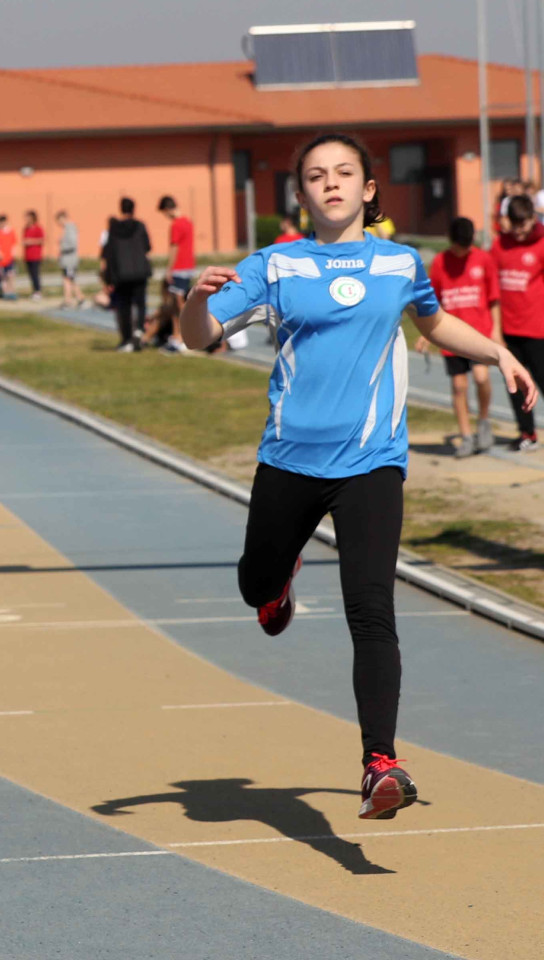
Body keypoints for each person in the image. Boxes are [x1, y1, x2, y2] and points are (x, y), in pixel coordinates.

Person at [180, 133, 537, 821]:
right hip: (289, 458)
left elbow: (434, 326)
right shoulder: (276, 264)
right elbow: (200, 338)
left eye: (345, 173)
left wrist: (498, 353)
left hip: (372, 461)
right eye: (316, 176)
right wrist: (197, 299)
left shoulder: (401, 263)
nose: (332, 183)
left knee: (371, 607)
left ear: (370, 189)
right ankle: (276, 583)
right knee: (254, 582)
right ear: (302, 193)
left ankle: (381, 763)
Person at [419, 217, 500, 458]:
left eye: (464, 248)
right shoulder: (441, 262)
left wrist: (495, 330)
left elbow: (494, 297)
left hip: (478, 332)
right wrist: (426, 333)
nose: (460, 252)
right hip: (451, 335)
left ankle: (483, 422)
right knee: (458, 385)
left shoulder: (483, 259)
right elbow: (432, 301)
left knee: (481, 376)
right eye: (456, 247)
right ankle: (466, 436)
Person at [491, 195, 544, 452]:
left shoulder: (542, 243)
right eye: (515, 224)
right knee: (516, 386)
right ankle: (527, 433)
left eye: (524, 223)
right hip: (508, 331)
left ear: (533, 218)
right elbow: (492, 289)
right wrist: (495, 329)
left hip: (538, 330)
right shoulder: (500, 245)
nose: (520, 229)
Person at [102, 197, 152, 351]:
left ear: (121, 208)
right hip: (139, 272)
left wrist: (107, 278)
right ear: (133, 209)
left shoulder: (114, 229)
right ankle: (139, 330)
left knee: (124, 306)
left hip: (122, 274)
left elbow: (108, 254)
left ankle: (126, 339)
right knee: (141, 303)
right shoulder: (140, 226)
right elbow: (148, 246)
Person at [156, 195, 196, 352]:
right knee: (179, 303)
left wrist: (169, 269)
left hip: (179, 267)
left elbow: (174, 248)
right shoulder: (188, 222)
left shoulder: (176, 225)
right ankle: (177, 335)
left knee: (177, 305)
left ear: (167, 209)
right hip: (189, 266)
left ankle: (180, 336)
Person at [55, 209, 83, 308]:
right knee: (71, 279)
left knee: (68, 279)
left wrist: (62, 244)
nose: (58, 223)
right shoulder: (67, 228)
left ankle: (68, 300)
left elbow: (72, 244)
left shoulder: (70, 228)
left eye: (59, 220)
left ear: (63, 218)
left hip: (69, 260)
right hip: (67, 259)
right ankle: (79, 298)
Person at [0, 214, 18, 300]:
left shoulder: (11, 232)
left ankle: (12, 291)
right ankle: (5, 292)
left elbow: (14, 244)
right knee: (3, 277)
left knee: (11, 275)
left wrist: (14, 254)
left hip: (9, 258)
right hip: (0, 260)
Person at [20, 210, 45, 298]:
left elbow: (42, 240)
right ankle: (34, 291)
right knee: (30, 275)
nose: (26, 219)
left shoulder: (38, 228)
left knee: (35, 274)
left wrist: (31, 241)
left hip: (36, 256)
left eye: (28, 217)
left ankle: (38, 291)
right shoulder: (26, 228)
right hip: (28, 256)